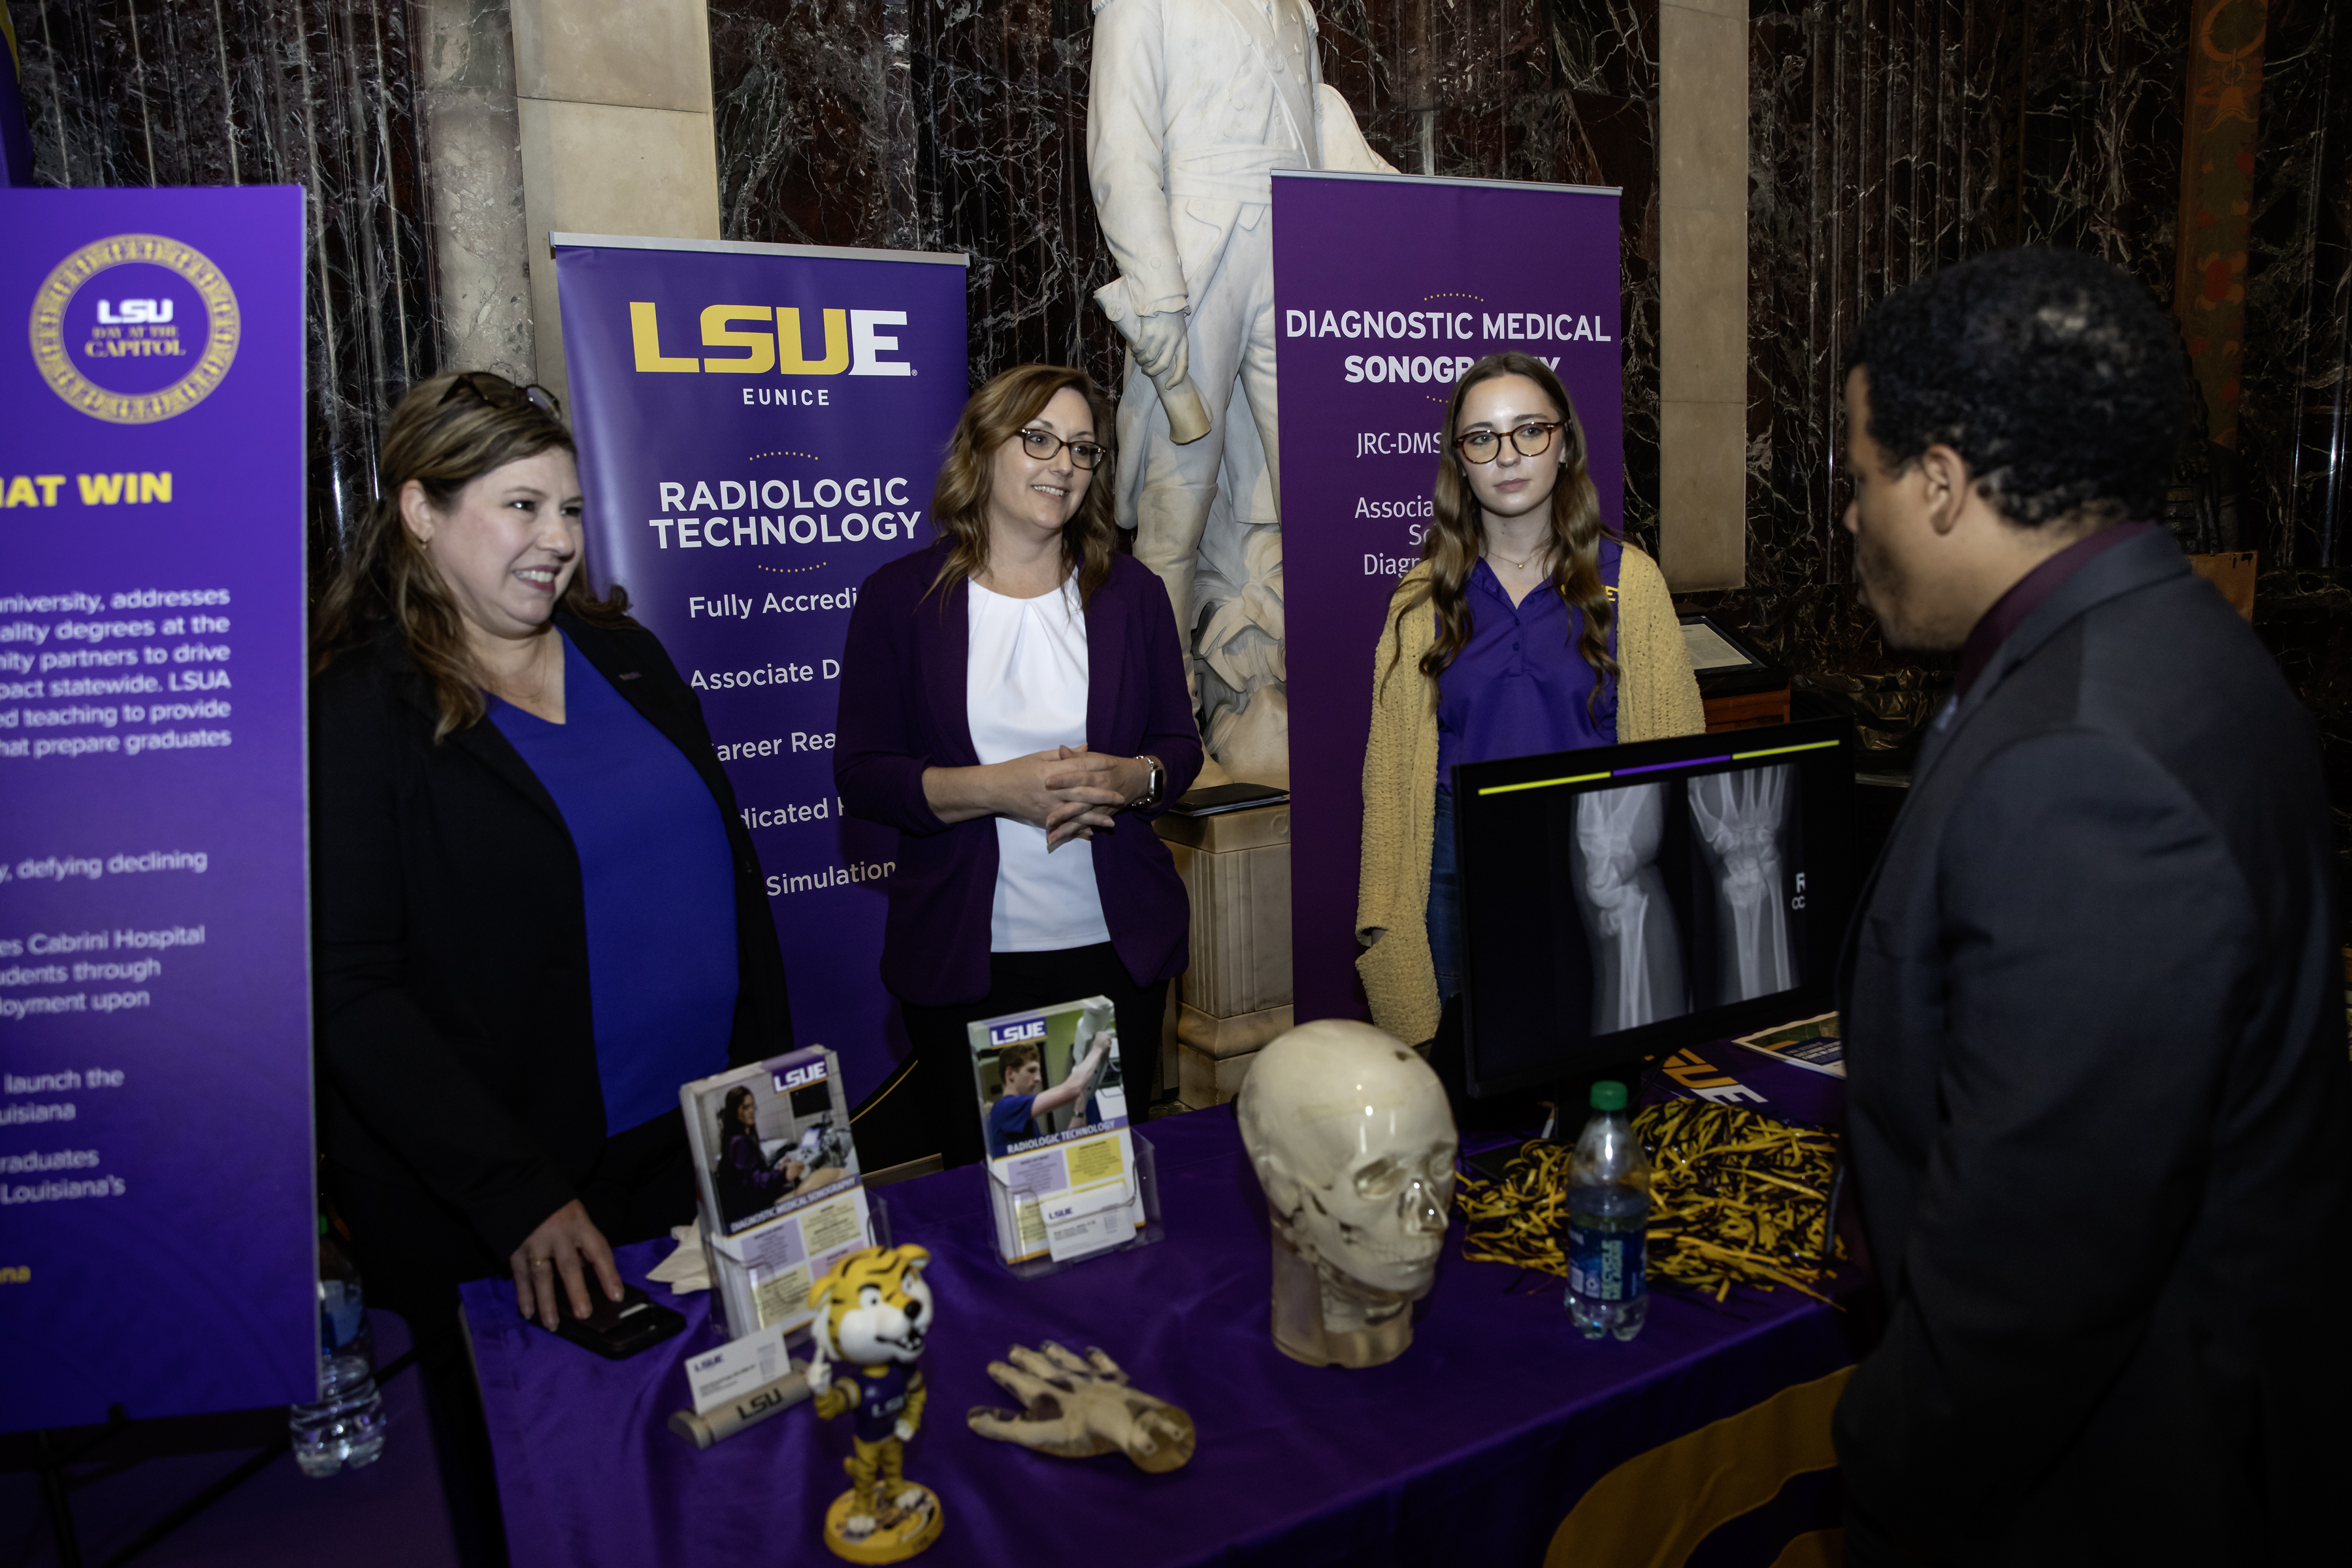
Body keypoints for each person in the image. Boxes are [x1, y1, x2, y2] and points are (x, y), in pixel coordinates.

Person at [1830, 247, 2350, 1563]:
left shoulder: (2084, 765)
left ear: (1940, 484)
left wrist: (1875, 1465)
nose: (1849, 520)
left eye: (1859, 478)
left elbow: (2032, 1285)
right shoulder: (2178, 642)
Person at [311, 372, 792, 1346]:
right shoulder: (360, 712)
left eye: (570, 508)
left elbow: (735, 885)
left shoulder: (629, 657)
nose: (560, 538)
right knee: (563, 1472)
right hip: (511, 1194)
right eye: (521, 506)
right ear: (420, 511)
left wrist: (769, 1103)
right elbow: (350, 990)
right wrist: (514, 1195)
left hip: (701, 1143)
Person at [836, 364, 1201, 1169]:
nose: (1063, 464)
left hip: (1116, 952)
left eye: (1082, 448)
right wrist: (996, 790)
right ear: (983, 450)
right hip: (969, 959)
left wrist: (1130, 778)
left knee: (1100, 1193)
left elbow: (1179, 748)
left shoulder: (1131, 594)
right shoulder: (900, 599)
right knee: (990, 1201)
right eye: (1037, 439)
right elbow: (862, 777)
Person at [1355, 353, 1704, 1047]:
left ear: (1564, 442)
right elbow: (1390, 789)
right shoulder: (1421, 600)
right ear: (1460, 461)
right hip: (1458, 869)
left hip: (1601, 860)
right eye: (1482, 438)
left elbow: (1677, 762)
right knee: (1468, 1079)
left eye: (1529, 432)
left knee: (1597, 1070)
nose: (1507, 456)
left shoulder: (1630, 582)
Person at [984, 1036, 1112, 1158]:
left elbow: (1066, 1144)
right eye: (1031, 1070)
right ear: (1010, 1074)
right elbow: (1070, 1090)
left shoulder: (1025, 1119)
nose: (1039, 1079)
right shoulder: (1005, 1107)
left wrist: (1081, 1104)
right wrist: (1097, 1049)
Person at [714, 1085, 802, 1226]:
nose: (751, 1111)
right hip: (753, 1212)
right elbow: (754, 1182)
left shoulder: (737, 1138)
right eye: (745, 1107)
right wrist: (784, 1175)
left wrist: (779, 1169)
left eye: (752, 1107)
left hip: (749, 1208)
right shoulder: (740, 1142)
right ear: (734, 1111)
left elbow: (751, 1173)